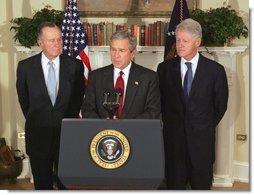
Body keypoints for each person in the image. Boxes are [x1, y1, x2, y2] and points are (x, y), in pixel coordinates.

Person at [157, 18, 228, 190]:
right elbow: (161, 103)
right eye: (178, 40)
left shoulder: (215, 71)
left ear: (197, 42)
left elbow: (220, 105)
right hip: (173, 143)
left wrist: (202, 126)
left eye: (185, 41)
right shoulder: (164, 69)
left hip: (202, 144)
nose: (179, 45)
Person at [16, 22, 85, 190]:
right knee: (42, 185)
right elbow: (24, 101)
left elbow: (77, 100)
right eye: (52, 40)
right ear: (40, 42)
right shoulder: (25, 67)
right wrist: (41, 118)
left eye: (60, 39)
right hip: (38, 135)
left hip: (67, 135)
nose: (57, 44)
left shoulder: (75, 66)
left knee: (67, 184)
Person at [81, 31, 160, 119]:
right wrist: (103, 126)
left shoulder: (148, 78)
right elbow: (87, 109)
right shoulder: (96, 77)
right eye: (113, 50)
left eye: (121, 50)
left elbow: (153, 111)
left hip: (135, 131)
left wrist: (124, 126)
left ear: (133, 53)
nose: (116, 55)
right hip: (103, 132)